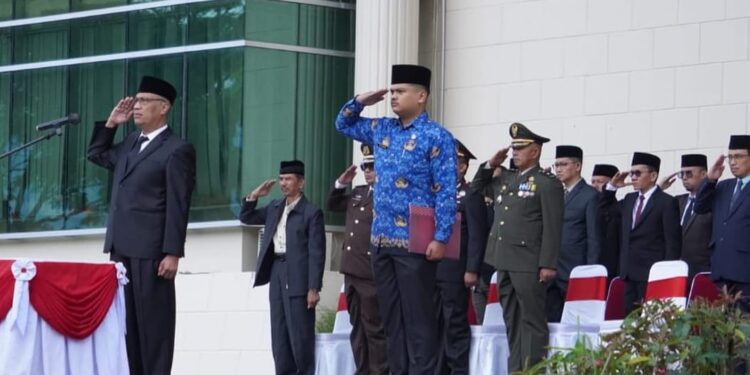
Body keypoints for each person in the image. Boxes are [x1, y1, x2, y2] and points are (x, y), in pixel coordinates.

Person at [334, 64, 457, 374]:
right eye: (392, 91)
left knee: (419, 321)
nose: (393, 97)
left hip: (416, 242)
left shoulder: (436, 136)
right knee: (391, 320)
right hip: (381, 241)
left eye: (401, 91)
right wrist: (361, 100)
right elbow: (343, 124)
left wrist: (442, 237)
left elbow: (445, 190)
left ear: (421, 96)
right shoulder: (382, 129)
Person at [87, 76, 196, 375]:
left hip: (152, 252)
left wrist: (172, 252)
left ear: (164, 108)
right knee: (126, 328)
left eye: (145, 100)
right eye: (136, 100)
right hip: (121, 248)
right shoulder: (130, 144)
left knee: (154, 328)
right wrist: (110, 125)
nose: (137, 106)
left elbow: (178, 204)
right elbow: (96, 154)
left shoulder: (176, 149)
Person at [471, 122, 563, 372]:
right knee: (512, 320)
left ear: (535, 151)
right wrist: (490, 164)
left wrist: (547, 263)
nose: (514, 153)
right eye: (513, 148)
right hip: (503, 260)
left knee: (532, 321)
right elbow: (476, 188)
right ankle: (517, 368)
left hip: (529, 262)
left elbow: (553, 227)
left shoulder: (547, 183)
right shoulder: (506, 178)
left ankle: (533, 369)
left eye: (520, 148)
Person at [240, 160, 325, 375]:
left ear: (301, 183)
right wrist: (254, 196)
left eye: (288, 179)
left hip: (299, 276)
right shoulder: (275, 207)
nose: (283, 183)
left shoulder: (311, 213)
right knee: (279, 335)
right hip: (277, 271)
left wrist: (314, 287)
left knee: (300, 335)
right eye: (281, 179)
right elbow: (247, 217)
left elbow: (317, 253)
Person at [327, 145, 388, 375]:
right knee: (357, 327)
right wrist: (340, 184)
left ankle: (380, 371)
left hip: (370, 272)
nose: (368, 171)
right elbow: (332, 205)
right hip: (351, 270)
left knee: (375, 329)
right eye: (365, 166)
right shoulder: (358, 193)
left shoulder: (388, 194)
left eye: (372, 166)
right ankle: (362, 370)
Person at [600, 152, 681, 315]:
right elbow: (603, 209)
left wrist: (666, 274)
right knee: (630, 320)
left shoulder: (666, 202)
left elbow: (672, 242)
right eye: (632, 173)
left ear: (653, 175)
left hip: (652, 273)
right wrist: (612, 187)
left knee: (652, 321)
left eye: (638, 173)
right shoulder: (629, 199)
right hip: (628, 272)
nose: (633, 177)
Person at [433, 140, 488, 374]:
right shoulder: (433, 191)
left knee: (454, 324)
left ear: (463, 166)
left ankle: (457, 370)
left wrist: (472, 269)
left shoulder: (469, 195)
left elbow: (477, 234)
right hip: (431, 269)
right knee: (433, 325)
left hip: (456, 270)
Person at [694, 135, 750, 313]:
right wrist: (710, 180)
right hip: (722, 269)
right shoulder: (723, 186)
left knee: (743, 328)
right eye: (730, 157)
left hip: (745, 272)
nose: (733, 162)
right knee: (723, 330)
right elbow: (699, 207)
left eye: (739, 156)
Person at [547, 145, 600, 322]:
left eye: (563, 164)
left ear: (577, 166)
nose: (559, 169)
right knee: (552, 324)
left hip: (574, 270)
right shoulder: (555, 193)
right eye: (556, 165)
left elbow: (594, 238)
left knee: (576, 324)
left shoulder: (589, 195)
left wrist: (589, 272)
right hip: (551, 271)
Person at [659, 154, 712, 283]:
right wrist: (659, 189)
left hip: (703, 271)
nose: (684, 178)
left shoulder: (714, 201)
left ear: (703, 174)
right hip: (677, 270)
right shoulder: (677, 201)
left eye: (689, 173)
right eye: (681, 174)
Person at [590, 164, 621, 280]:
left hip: (611, 268)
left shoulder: (619, 207)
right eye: (592, 181)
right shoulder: (591, 205)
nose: (594, 186)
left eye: (599, 181)